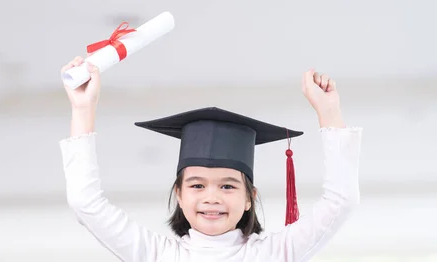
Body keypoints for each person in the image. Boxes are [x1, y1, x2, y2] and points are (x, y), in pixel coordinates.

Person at [58, 56, 363, 261]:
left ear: (249, 198)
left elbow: (341, 201)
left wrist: (329, 112)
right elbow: (86, 203)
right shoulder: (158, 255)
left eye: (228, 186)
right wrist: (83, 110)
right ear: (179, 194)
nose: (212, 197)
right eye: (197, 186)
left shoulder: (273, 253)